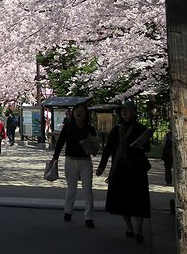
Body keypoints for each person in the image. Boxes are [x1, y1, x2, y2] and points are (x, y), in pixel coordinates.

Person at [96, 100, 152, 243]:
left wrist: (142, 145)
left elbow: (147, 149)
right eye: (123, 110)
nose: (125, 112)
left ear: (133, 112)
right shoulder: (116, 130)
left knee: (139, 200)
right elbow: (108, 149)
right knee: (122, 201)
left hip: (137, 168)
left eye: (127, 110)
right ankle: (129, 227)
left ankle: (138, 230)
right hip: (120, 169)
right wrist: (102, 166)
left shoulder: (141, 128)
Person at [51, 103, 97, 228]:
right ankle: (68, 211)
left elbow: (95, 148)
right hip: (70, 160)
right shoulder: (68, 127)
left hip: (85, 161)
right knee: (71, 189)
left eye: (82, 111)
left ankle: (88, 217)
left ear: (86, 114)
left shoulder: (89, 128)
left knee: (87, 190)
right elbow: (60, 142)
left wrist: (93, 149)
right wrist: (55, 157)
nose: (79, 112)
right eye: (77, 110)